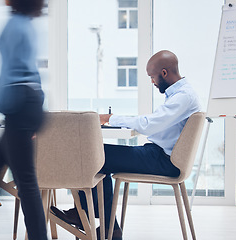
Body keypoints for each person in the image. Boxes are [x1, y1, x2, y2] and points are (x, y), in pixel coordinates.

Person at [50, 50, 202, 240]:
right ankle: (101, 223)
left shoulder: (183, 97)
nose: (152, 82)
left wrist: (109, 118)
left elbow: (149, 125)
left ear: (164, 73)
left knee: (94, 155)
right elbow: (154, 124)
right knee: (97, 155)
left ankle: (93, 220)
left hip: (164, 160)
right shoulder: (180, 94)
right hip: (157, 154)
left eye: (152, 77)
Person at [0, 0, 48, 239]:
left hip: (20, 103)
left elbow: (12, 71)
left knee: (26, 183)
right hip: (27, 103)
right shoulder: (26, 23)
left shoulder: (16, 24)